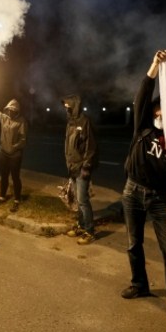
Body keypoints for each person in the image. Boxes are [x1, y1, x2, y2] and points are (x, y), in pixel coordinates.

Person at [119, 49, 166, 322]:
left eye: (165, 111)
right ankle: (139, 284)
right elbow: (142, 94)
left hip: (161, 198)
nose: (160, 114)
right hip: (132, 191)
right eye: (157, 110)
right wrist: (154, 65)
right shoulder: (142, 128)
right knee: (133, 243)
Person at [61, 94, 99, 245]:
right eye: (65, 107)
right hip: (73, 167)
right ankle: (81, 225)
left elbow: (91, 147)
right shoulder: (70, 123)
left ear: (75, 106)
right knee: (78, 200)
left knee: (83, 200)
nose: (66, 109)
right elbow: (68, 146)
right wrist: (69, 165)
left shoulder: (85, 122)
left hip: (82, 168)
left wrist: (86, 167)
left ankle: (90, 231)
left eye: (68, 106)